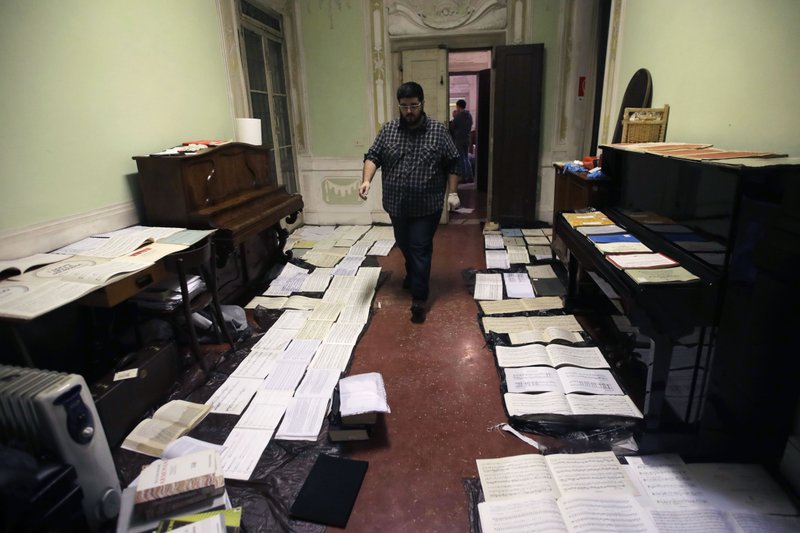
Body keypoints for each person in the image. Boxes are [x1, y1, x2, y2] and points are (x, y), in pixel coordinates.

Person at [359, 81, 461, 323]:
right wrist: (366, 180)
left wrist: (453, 193)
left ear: (422, 103)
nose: (409, 111)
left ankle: (419, 298)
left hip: (427, 207)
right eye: (404, 106)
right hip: (396, 205)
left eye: (414, 105)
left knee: (419, 247)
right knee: (404, 243)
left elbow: (453, 163)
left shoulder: (438, 131)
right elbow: (373, 156)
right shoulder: (388, 130)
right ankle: (413, 273)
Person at [450, 99, 473, 182]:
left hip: (459, 139)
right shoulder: (469, 115)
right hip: (467, 138)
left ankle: (464, 177)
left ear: (458, 106)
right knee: (466, 158)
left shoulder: (458, 116)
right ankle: (470, 177)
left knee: (461, 159)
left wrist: (454, 117)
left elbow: (452, 127)